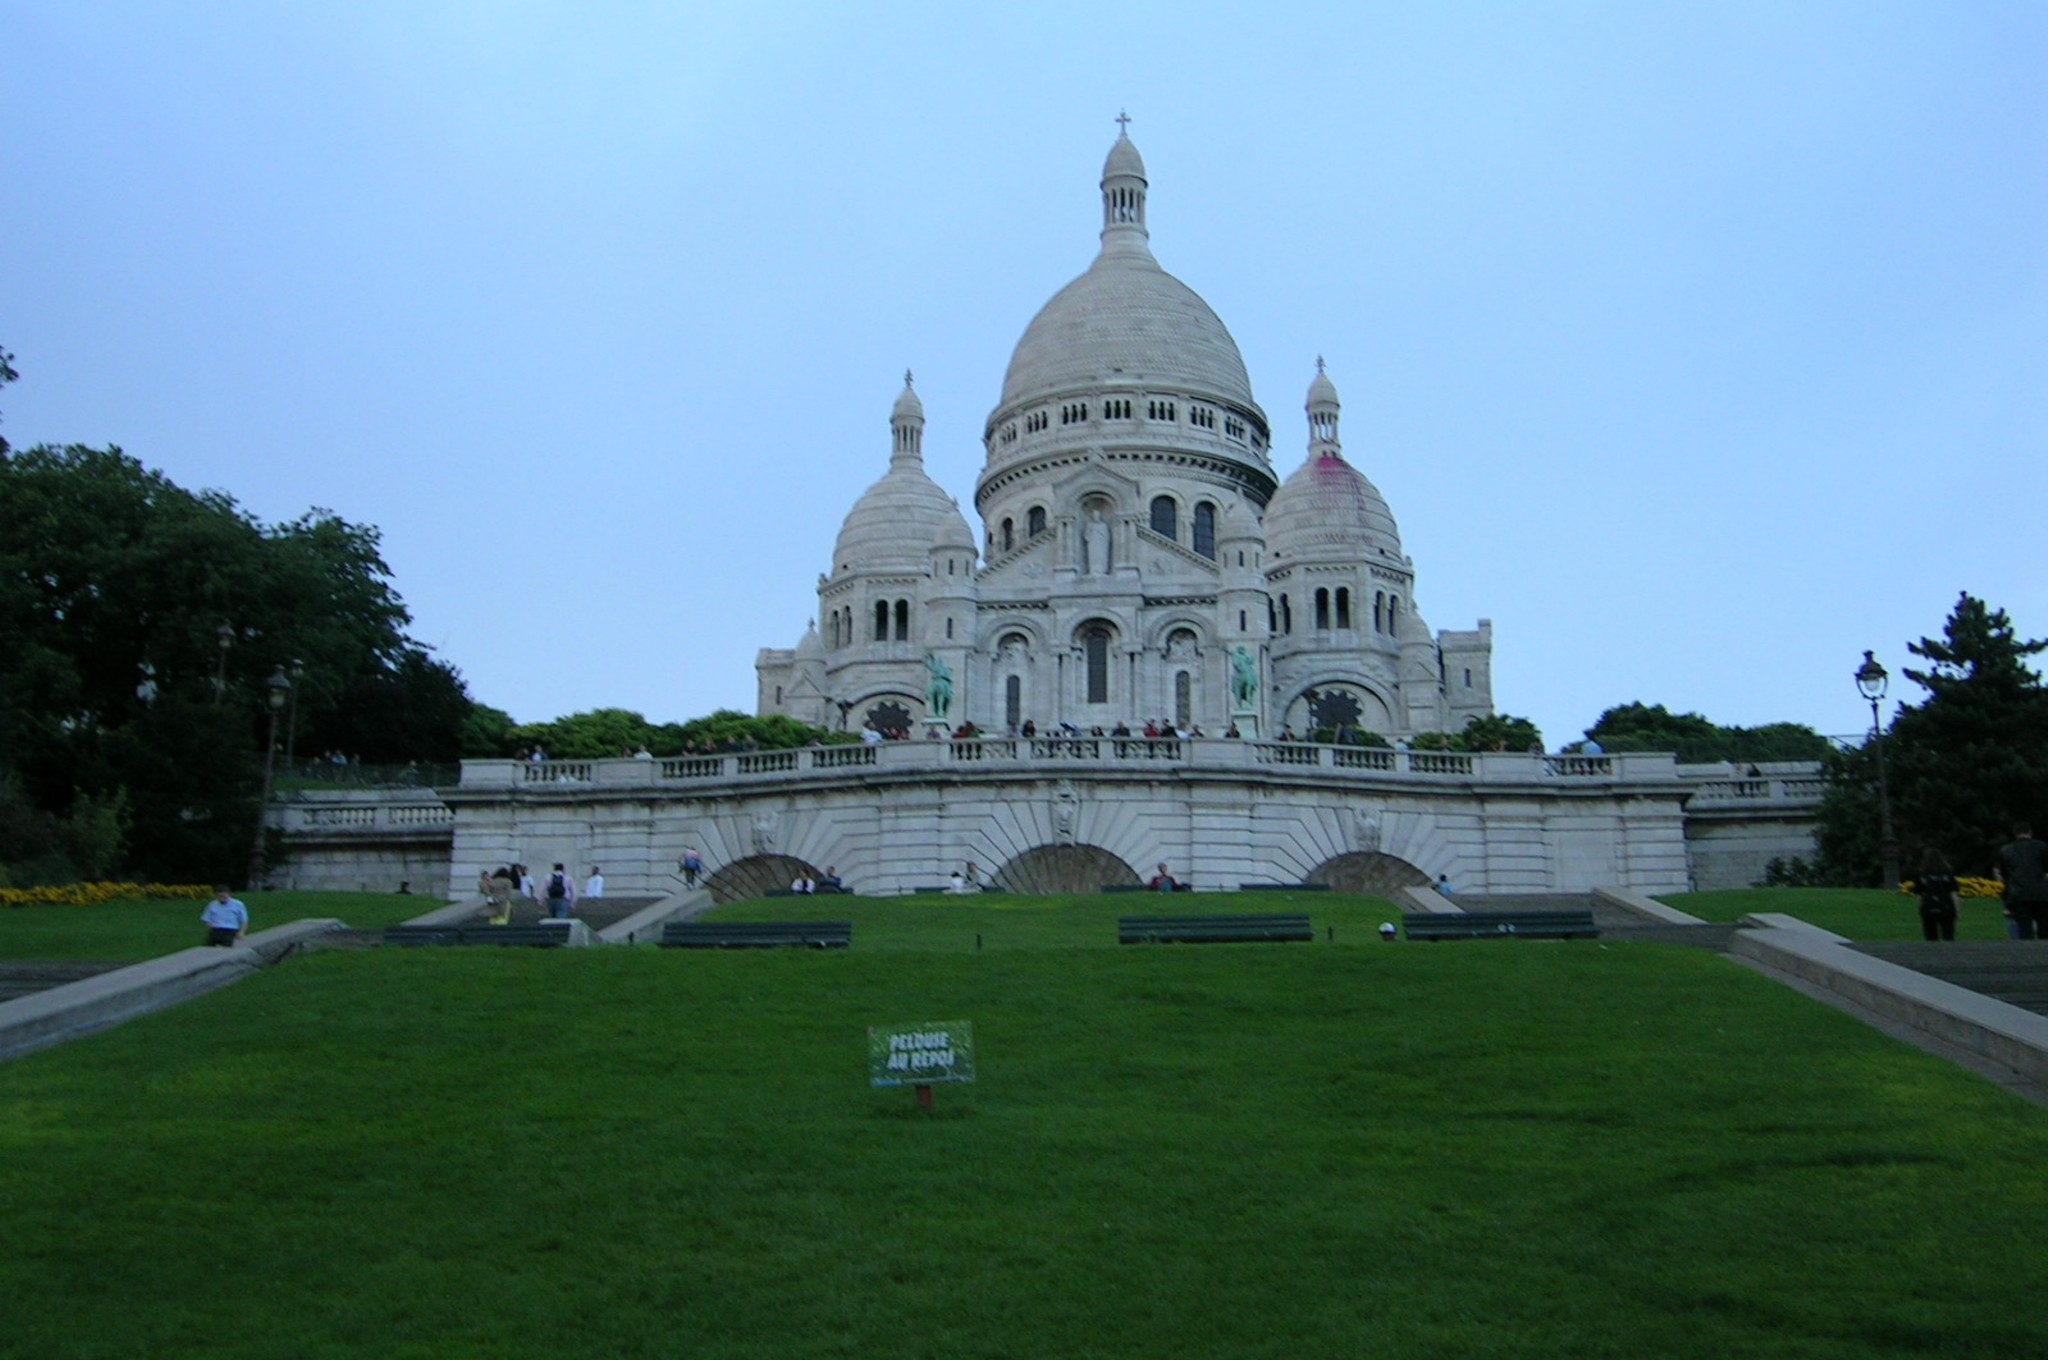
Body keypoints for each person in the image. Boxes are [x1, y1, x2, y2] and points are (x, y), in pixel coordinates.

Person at [1997, 823, 2048, 941]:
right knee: (2045, 930)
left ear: (2015, 834)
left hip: (2019, 894)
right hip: (2041, 893)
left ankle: (2028, 952)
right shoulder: (2042, 847)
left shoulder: (2006, 850)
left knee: (2025, 931)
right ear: (2030, 832)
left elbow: (2004, 875)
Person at [1914, 850, 1959, 942]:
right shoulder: (1948, 875)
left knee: (1930, 937)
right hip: (1946, 908)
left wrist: (1921, 908)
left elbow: (1919, 895)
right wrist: (1957, 910)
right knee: (1948, 936)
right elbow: (1953, 894)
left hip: (1929, 908)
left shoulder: (1922, 876)